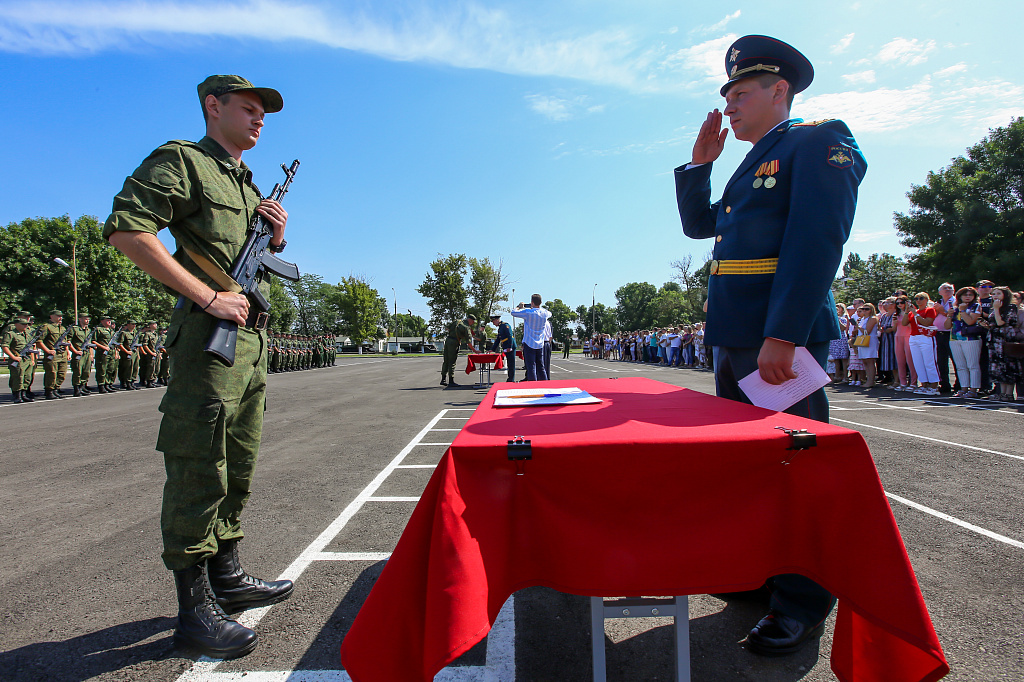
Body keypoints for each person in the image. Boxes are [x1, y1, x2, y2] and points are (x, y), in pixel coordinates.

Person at [674, 35, 866, 656]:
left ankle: (804, 602)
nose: (729, 104)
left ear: (780, 90)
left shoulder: (817, 140)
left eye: (740, 91)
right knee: (750, 467)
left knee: (797, 469)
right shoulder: (751, 162)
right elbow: (703, 228)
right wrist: (700, 166)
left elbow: (817, 241)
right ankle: (762, 575)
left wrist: (783, 333)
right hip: (737, 341)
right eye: (727, 93)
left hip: (778, 342)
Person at [103, 74, 294, 659]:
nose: (259, 118)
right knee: (198, 466)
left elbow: (243, 259)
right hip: (208, 344)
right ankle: (193, 612)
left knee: (238, 462)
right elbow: (127, 230)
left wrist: (277, 239)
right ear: (213, 107)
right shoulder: (183, 161)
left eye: (264, 112)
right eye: (248, 108)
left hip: (249, 348)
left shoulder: (245, 183)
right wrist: (209, 297)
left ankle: (227, 577)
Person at [981, 286, 1022, 401]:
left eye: (998, 293)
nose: (995, 296)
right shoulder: (994, 307)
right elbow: (994, 323)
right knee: (998, 367)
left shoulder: (1010, 307)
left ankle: (1008, 394)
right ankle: (1001, 393)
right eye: (993, 294)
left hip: (1005, 340)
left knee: (1007, 366)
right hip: (994, 340)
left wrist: (996, 309)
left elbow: (1001, 323)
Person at [944, 287, 983, 398]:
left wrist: (962, 311)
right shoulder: (954, 308)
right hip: (955, 338)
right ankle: (964, 388)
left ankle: (974, 389)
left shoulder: (976, 306)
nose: (967, 297)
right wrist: (949, 315)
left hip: (970, 339)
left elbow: (970, 321)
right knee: (960, 365)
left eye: (970, 295)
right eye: (965, 295)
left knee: (972, 365)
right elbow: (947, 326)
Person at [903, 292, 941, 395]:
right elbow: (904, 323)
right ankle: (924, 384)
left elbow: (927, 322)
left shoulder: (930, 310)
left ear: (926, 299)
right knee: (918, 363)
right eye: (916, 299)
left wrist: (916, 314)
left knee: (929, 362)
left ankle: (934, 386)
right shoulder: (913, 312)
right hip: (914, 337)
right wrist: (907, 312)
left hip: (926, 337)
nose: (918, 300)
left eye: (921, 298)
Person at [511, 294, 551, 381]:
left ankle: (533, 385)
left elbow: (513, 312)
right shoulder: (545, 313)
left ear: (532, 302)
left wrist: (519, 307)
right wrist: (535, 306)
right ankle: (545, 384)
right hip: (540, 343)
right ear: (540, 302)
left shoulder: (528, 312)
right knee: (541, 366)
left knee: (531, 367)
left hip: (529, 343)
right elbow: (549, 313)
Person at [37, 310, 69, 399]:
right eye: (58, 316)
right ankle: (49, 390)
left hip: (62, 354)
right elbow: (39, 341)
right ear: (51, 316)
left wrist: (67, 352)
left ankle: (56, 388)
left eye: (61, 316)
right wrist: (48, 351)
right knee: (51, 373)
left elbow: (65, 341)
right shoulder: (46, 327)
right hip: (53, 354)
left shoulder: (62, 328)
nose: (60, 317)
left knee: (62, 373)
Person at [2, 317, 32, 403]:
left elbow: (31, 346)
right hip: (18, 359)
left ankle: (24, 394)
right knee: (18, 377)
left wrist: (32, 359)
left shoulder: (27, 334)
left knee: (27, 377)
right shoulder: (11, 334)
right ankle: (17, 395)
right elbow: (5, 346)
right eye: (23, 324)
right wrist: (13, 357)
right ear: (16, 324)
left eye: (26, 324)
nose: (25, 326)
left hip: (27, 359)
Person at [441, 314, 476, 386]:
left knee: (446, 360)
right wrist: (474, 350)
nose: (472, 324)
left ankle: (443, 379)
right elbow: (468, 342)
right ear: (470, 320)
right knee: (452, 362)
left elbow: (447, 328)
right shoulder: (466, 327)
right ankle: (451, 381)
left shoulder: (457, 321)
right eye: (473, 322)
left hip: (448, 340)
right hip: (454, 343)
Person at [934, 283, 957, 393]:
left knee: (956, 360)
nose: (948, 290)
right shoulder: (938, 303)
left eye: (950, 288)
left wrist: (942, 310)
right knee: (941, 361)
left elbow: (953, 315)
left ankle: (959, 384)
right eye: (945, 288)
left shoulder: (955, 301)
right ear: (940, 292)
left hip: (951, 333)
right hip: (939, 333)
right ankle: (944, 384)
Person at [67, 311, 93, 397]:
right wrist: (74, 351)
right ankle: (76, 389)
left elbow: (90, 343)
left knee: (86, 371)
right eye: (85, 319)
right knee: (78, 371)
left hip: (87, 353)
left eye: (88, 319)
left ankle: (83, 387)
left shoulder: (88, 330)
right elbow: (68, 341)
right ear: (80, 319)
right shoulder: (74, 329)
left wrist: (91, 355)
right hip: (78, 353)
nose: (87, 320)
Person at [490, 313, 516, 382]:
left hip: (510, 346)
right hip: (506, 346)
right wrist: (492, 349)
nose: (493, 323)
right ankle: (510, 378)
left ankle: (511, 379)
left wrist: (509, 347)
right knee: (509, 363)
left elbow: (510, 336)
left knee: (511, 364)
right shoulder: (500, 327)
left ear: (497, 320)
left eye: (493, 321)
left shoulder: (505, 325)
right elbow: (498, 340)